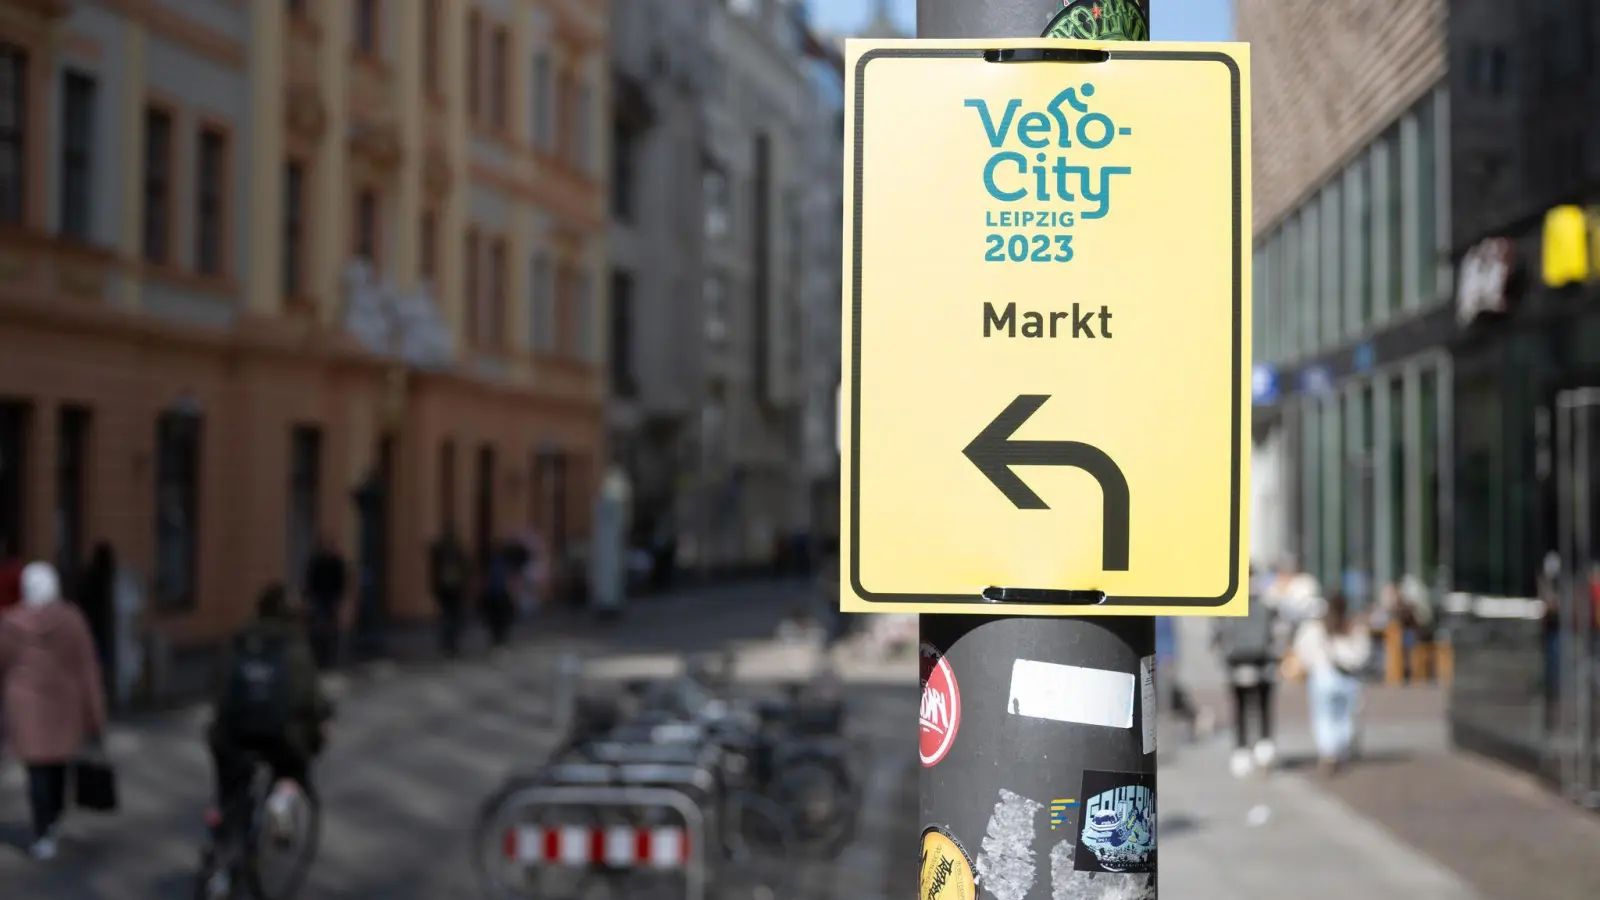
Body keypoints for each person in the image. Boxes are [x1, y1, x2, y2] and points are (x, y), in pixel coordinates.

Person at [205, 584, 333, 864]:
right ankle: (281, 801)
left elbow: (219, 683)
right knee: (293, 768)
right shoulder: (294, 646)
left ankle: (221, 819)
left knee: (231, 781)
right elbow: (309, 696)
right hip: (278, 735)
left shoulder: (240, 639)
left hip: (233, 731)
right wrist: (321, 724)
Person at [0, 562, 108, 860]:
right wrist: (95, 714)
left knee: (37, 770)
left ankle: (43, 829)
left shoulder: (10, 623)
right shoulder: (73, 620)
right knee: (58, 765)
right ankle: (55, 817)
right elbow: (87, 667)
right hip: (64, 705)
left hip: (27, 707)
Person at [1292, 591, 1373, 775]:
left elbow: (1302, 650)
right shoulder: (1354, 626)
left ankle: (1329, 753)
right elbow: (1362, 655)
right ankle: (1340, 750)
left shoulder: (1315, 627)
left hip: (1322, 676)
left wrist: (1311, 666)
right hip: (1348, 678)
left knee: (1323, 716)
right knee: (1344, 716)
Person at [1213, 566, 1282, 777]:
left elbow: (1217, 637)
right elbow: (1279, 633)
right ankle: (1264, 747)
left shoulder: (1226, 603)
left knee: (1240, 709)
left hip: (1237, 666)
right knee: (1263, 706)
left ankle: (1242, 751)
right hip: (1264, 665)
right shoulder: (1268, 603)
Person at [78, 542, 117, 702]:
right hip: (102, 628)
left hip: (90, 626)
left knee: (92, 663)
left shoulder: (89, 577)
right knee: (100, 663)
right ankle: (100, 696)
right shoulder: (107, 579)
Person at [301, 537, 347, 670]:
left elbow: (341, 581)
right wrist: (308, 597)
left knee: (331, 628)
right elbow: (310, 580)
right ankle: (319, 656)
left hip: (331, 598)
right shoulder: (318, 561)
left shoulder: (336, 562)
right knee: (318, 627)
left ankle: (330, 657)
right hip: (319, 597)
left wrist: (339, 599)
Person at [428, 526, 469, 657]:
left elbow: (433, 568)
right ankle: (451, 642)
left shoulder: (439, 550)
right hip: (455, 588)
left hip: (444, 587)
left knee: (447, 615)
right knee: (454, 615)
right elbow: (465, 568)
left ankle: (447, 642)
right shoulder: (457, 550)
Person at [480, 542, 516, 648]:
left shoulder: (504, 562)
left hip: (501, 594)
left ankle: (499, 638)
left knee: (503, 618)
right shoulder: (490, 563)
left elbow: (509, 577)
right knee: (494, 619)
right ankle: (497, 638)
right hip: (492, 594)